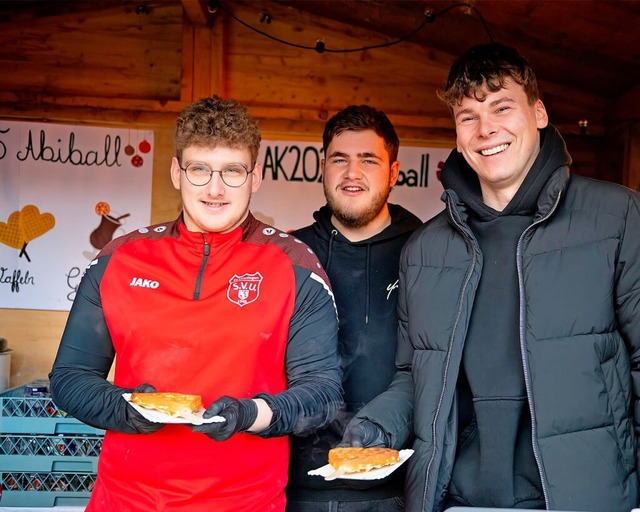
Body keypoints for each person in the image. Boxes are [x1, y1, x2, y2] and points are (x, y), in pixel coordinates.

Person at [340, 43, 640, 512]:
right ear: (457, 135)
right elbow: (413, 377)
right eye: (468, 116)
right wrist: (377, 424)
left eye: (502, 107)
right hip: (457, 499)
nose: (486, 130)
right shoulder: (425, 249)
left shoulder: (617, 218)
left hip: (587, 496)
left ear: (538, 113)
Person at [49, 95, 343, 512]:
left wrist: (248, 415)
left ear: (256, 176)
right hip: (125, 500)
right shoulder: (118, 259)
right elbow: (70, 377)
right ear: (177, 172)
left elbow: (323, 394)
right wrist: (128, 409)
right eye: (200, 169)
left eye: (233, 171)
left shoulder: (295, 266)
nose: (215, 188)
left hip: (247, 503)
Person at [286, 105, 422, 511]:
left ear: (394, 172)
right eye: (339, 159)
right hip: (295, 488)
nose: (351, 173)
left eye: (368, 160)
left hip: (396, 491)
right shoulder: (289, 253)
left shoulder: (429, 252)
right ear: (322, 167)